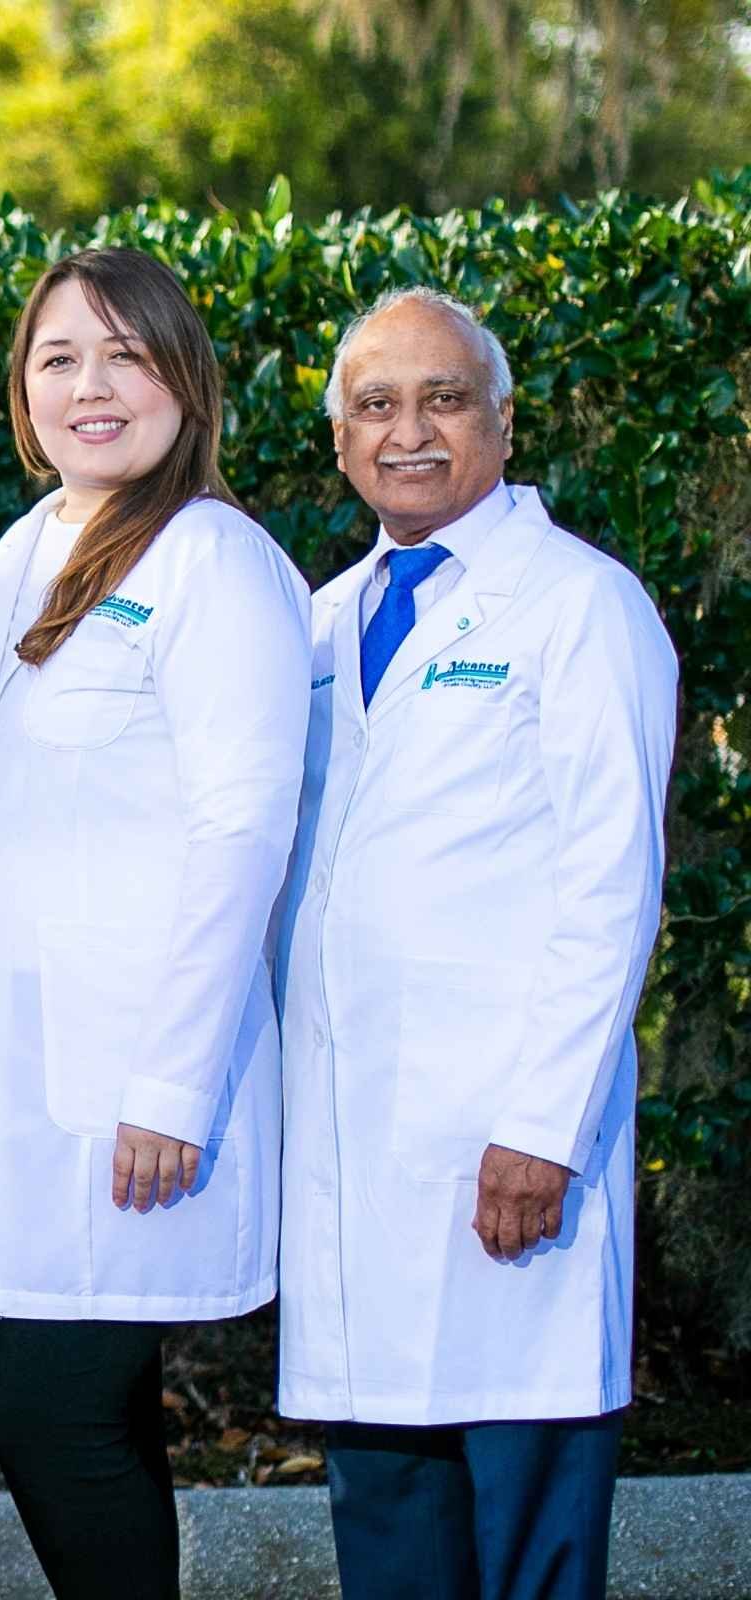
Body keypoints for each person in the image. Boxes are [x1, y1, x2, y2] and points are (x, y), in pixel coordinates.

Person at [276, 286, 677, 1600]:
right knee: (390, 1531)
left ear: (503, 425)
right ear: (339, 441)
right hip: (358, 1167)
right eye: (376, 405)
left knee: (528, 1543)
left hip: (511, 1158)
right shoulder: (318, 628)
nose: (409, 432)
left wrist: (545, 1127)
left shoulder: (580, 606)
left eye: (444, 399)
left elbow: (611, 884)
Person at [0, 248, 311, 1598]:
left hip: (136, 1083)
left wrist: (170, 1083)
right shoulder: (24, 551)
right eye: (57, 359)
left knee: (52, 1415)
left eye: (125, 356)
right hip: (24, 1072)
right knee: (98, 1411)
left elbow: (243, 832)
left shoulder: (218, 563)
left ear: (185, 382)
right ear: (23, 393)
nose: (90, 388)